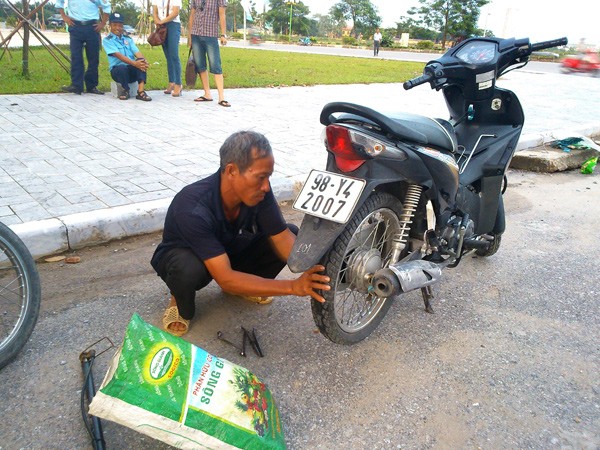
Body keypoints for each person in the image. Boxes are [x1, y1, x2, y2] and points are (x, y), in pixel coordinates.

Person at [151, 131, 330, 336]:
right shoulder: (191, 206)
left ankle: (241, 287)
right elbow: (224, 277)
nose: (266, 186)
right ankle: (177, 296)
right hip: (189, 258)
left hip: (226, 248)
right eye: (260, 177)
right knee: (187, 268)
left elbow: (281, 237)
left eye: (268, 177)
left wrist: (315, 271)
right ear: (232, 171)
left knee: (291, 232)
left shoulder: (259, 189)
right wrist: (293, 286)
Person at [56, 0, 110, 95]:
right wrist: (64, 16)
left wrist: (102, 23)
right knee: (76, 57)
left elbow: (107, 6)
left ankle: (91, 86)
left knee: (93, 58)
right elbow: (59, 2)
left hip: (92, 27)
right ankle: (76, 85)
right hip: (75, 26)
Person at [188, 0, 230, 107]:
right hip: (196, 34)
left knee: (216, 65)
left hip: (211, 35)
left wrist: (223, 34)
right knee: (200, 65)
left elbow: (222, 14)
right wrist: (189, 36)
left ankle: (221, 97)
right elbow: (192, 14)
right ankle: (207, 94)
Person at [102, 12, 152, 101]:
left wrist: (143, 61)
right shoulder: (107, 40)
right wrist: (135, 63)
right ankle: (125, 90)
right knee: (122, 67)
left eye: (120, 25)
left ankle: (141, 92)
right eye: (115, 25)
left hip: (131, 71)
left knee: (141, 61)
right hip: (118, 72)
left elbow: (137, 52)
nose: (118, 28)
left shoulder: (128, 39)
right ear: (110, 25)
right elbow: (118, 55)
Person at [152, 0, 183, 97]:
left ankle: (178, 83)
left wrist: (162, 21)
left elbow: (175, 12)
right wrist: (157, 21)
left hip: (173, 25)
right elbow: (155, 11)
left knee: (174, 55)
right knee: (168, 56)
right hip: (161, 26)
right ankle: (171, 82)